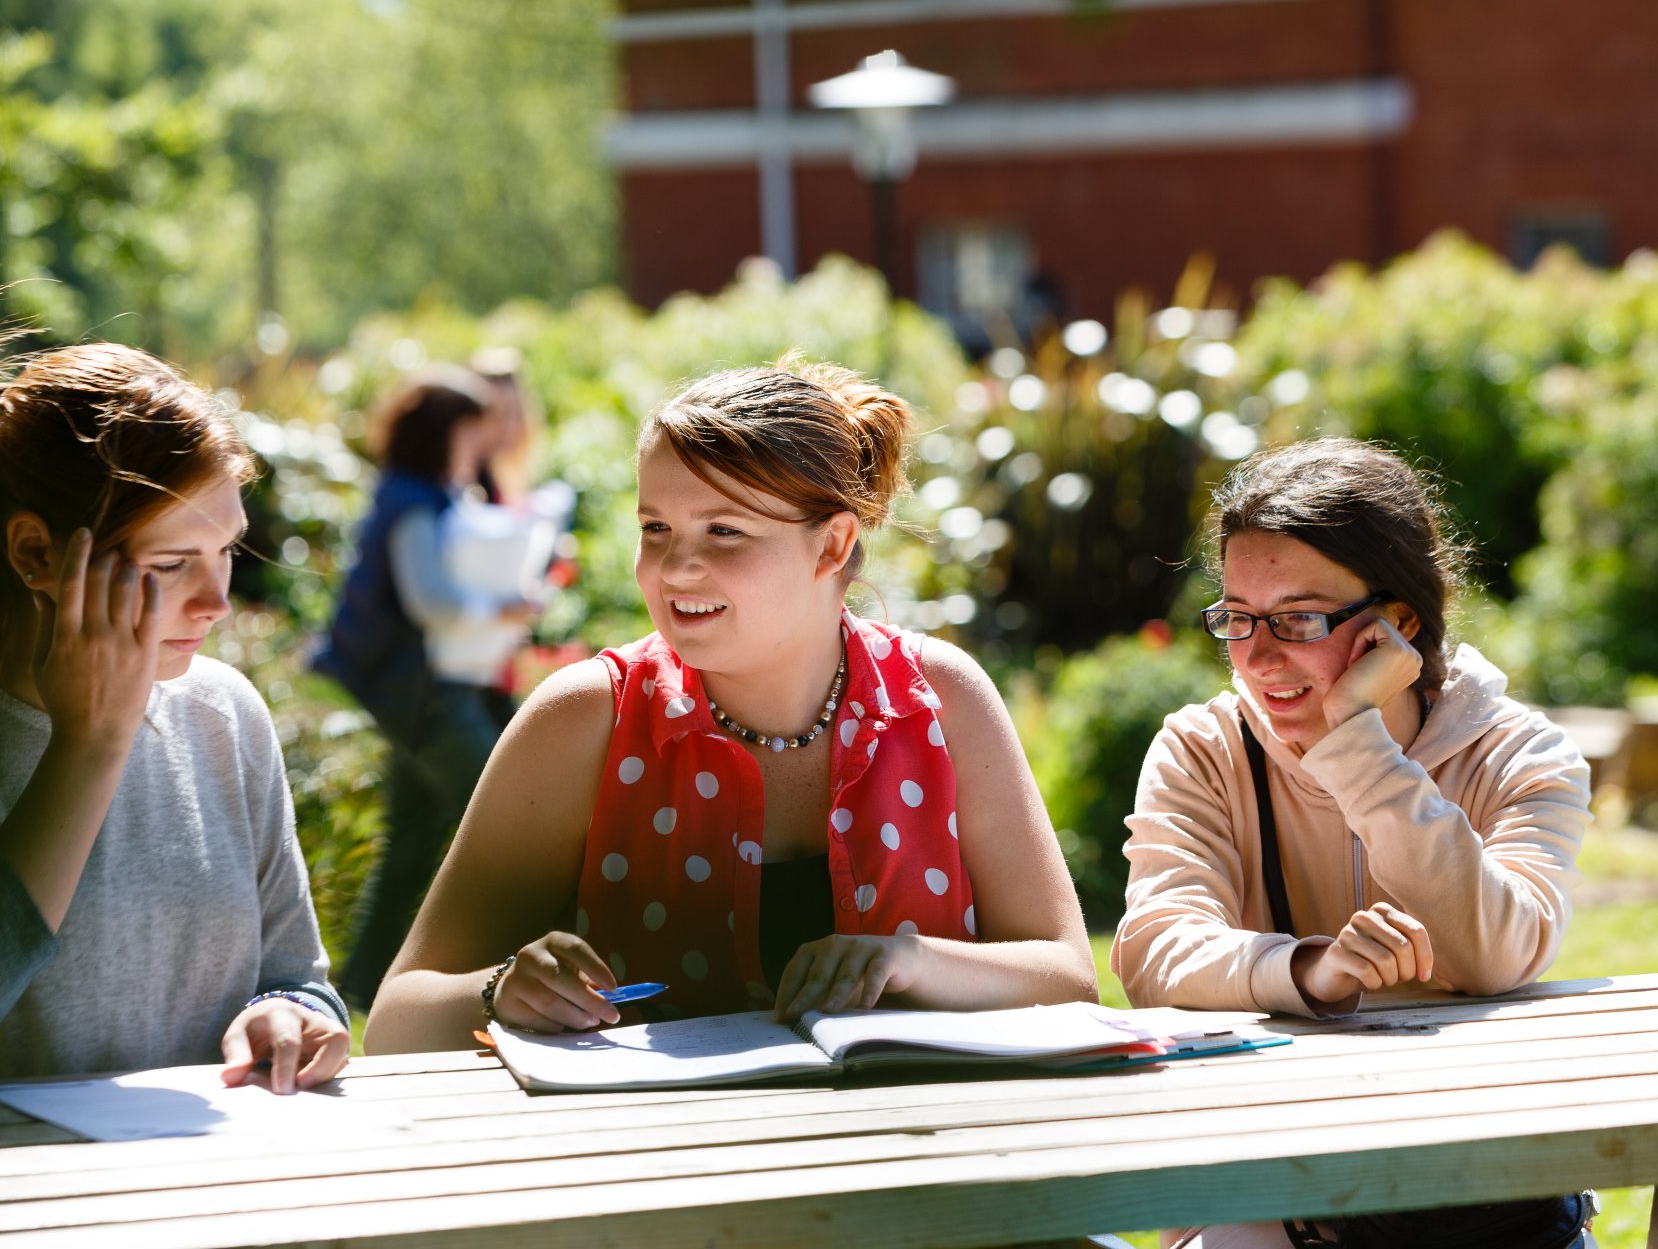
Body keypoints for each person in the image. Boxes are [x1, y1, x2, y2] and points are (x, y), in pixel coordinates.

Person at [365, 358, 1096, 1049]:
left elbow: (1069, 979)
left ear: (833, 546)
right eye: (657, 528)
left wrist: (912, 962)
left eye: (725, 531)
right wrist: (497, 992)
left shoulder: (942, 699)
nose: (677, 566)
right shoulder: (585, 719)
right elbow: (397, 1020)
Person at [0, 274, 347, 1093]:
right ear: (36, 554)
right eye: (173, 563)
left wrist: (289, 1011)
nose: (218, 600)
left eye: (226, 553)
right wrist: (91, 742)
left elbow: (299, 975)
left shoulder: (227, 716)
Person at [1113, 438, 1593, 1249]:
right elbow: (1155, 949)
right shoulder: (1204, 749)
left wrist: (1355, 741)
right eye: (1236, 618)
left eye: (1298, 619)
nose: (1257, 657)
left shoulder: (1522, 756)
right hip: (1269, 1188)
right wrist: (1309, 969)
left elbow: (1501, 949)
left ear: (1397, 624)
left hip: (1476, 1195)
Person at [314, 367, 540, 1008]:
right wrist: (504, 605)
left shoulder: (425, 492)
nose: (483, 448)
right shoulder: (414, 500)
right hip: (425, 694)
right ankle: (508, 972)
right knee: (506, 820)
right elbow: (430, 599)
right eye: (475, 435)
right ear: (447, 434)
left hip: (419, 693)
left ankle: (358, 990)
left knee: (410, 845)